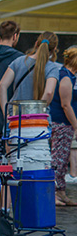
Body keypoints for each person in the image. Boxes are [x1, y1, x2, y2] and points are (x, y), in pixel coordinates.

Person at [0, 32, 60, 114]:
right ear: (54, 49)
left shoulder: (19, 61)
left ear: (36, 44)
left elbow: (2, 85)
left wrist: (6, 113)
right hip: (39, 118)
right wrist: (37, 111)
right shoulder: (52, 67)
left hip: (16, 115)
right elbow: (49, 92)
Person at [49, 46, 77, 206]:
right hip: (61, 123)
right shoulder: (65, 77)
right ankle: (53, 192)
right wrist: (76, 125)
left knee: (63, 157)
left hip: (65, 124)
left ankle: (60, 191)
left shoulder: (70, 76)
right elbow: (66, 105)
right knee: (58, 158)